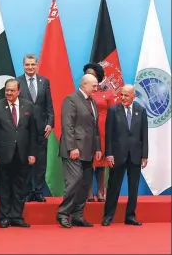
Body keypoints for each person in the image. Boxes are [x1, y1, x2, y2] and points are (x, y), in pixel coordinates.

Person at [0, 79, 36, 228]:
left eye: (12, 90)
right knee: (3, 186)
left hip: (22, 154)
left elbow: (33, 132)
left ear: (18, 91)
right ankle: (4, 217)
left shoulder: (28, 105)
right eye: (7, 90)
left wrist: (32, 153)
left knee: (20, 187)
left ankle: (17, 216)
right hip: (3, 154)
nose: (9, 93)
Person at [57, 74, 102, 228]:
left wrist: (98, 148)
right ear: (84, 85)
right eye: (94, 86)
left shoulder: (92, 102)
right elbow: (67, 125)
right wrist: (72, 147)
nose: (96, 89)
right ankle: (63, 213)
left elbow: (95, 128)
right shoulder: (71, 99)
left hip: (89, 150)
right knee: (74, 181)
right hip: (74, 150)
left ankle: (77, 215)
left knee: (85, 183)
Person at [102, 85, 146, 226]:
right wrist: (109, 154)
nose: (123, 98)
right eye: (122, 95)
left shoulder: (141, 110)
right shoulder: (114, 110)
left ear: (133, 96)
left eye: (126, 95)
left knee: (133, 188)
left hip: (135, 155)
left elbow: (144, 135)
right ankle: (108, 216)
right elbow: (108, 135)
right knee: (114, 186)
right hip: (117, 155)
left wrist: (144, 155)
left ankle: (130, 216)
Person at [17, 54, 54, 202]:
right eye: (27, 65)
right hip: (24, 129)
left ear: (37, 65)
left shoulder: (44, 81)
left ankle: (38, 191)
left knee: (40, 162)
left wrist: (50, 123)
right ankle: (26, 192)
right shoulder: (17, 82)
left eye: (33, 64)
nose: (30, 67)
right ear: (23, 65)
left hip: (41, 129)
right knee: (25, 162)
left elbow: (49, 105)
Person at [83, 63, 116, 202]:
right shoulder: (84, 92)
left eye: (93, 74)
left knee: (101, 163)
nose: (90, 75)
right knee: (88, 162)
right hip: (87, 130)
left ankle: (101, 192)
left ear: (99, 76)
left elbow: (114, 114)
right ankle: (89, 193)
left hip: (103, 130)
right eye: (87, 74)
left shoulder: (107, 92)